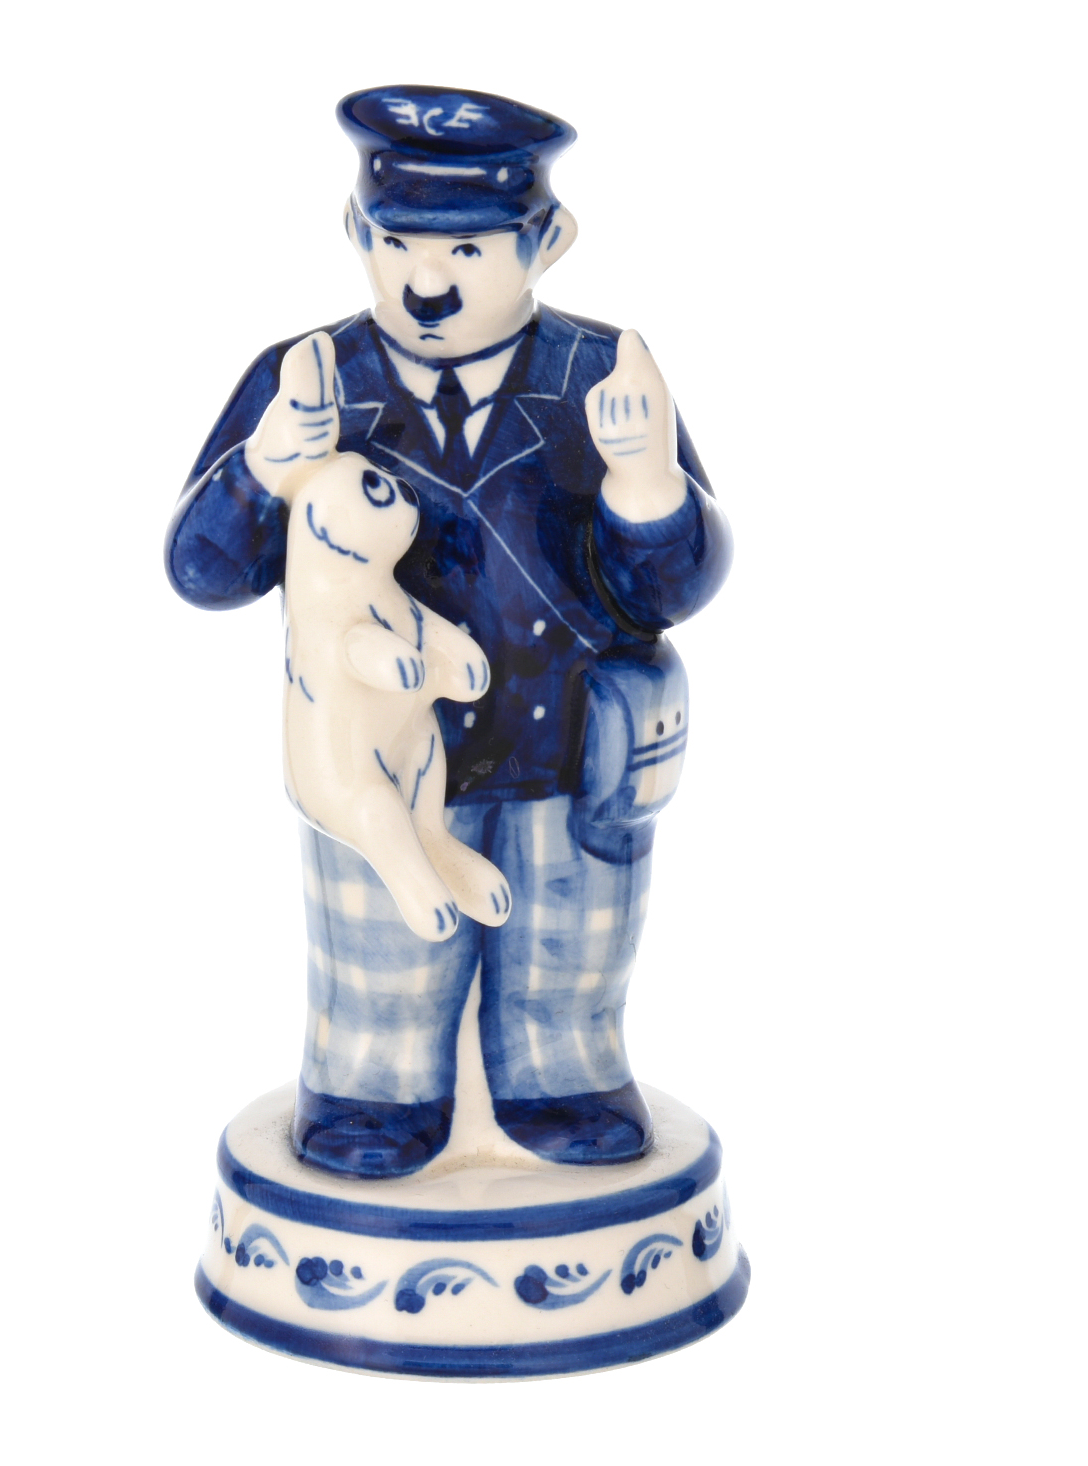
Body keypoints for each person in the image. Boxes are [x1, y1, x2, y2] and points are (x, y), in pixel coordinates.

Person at [166, 86, 733, 1177]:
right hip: (374, 753)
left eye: (468, 250)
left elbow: (672, 586)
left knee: (569, 957)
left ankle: (562, 1076)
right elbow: (203, 571)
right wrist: (267, 468)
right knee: (379, 964)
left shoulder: (595, 377)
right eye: (395, 244)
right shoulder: (313, 382)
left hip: (565, 741)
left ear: (546, 242)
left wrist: (648, 483)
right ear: (354, 230)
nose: (425, 283)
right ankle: (374, 1092)